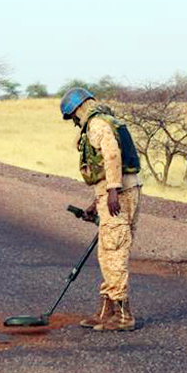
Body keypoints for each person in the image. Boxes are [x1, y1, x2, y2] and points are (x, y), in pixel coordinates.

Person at [60, 87, 142, 331]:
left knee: (113, 251)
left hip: (120, 194)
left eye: (73, 116)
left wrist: (114, 190)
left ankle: (124, 316)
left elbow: (112, 156)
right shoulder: (102, 122)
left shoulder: (96, 124)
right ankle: (106, 311)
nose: (74, 122)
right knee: (108, 252)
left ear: (78, 109)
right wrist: (97, 203)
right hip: (117, 193)